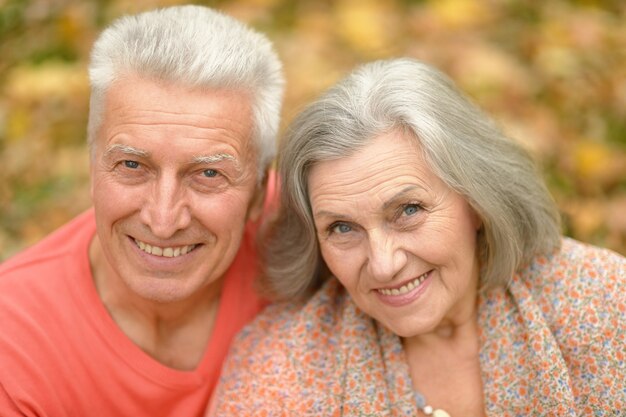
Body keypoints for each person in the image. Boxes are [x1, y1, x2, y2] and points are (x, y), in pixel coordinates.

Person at [208, 58, 626, 416]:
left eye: (408, 211)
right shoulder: (279, 368)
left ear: (477, 200)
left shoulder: (605, 304)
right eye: (342, 228)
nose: (383, 263)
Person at [0, 5, 283, 416]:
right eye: (132, 166)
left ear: (259, 191)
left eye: (207, 173)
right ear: (92, 166)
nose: (163, 220)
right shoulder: (13, 344)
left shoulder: (326, 236)